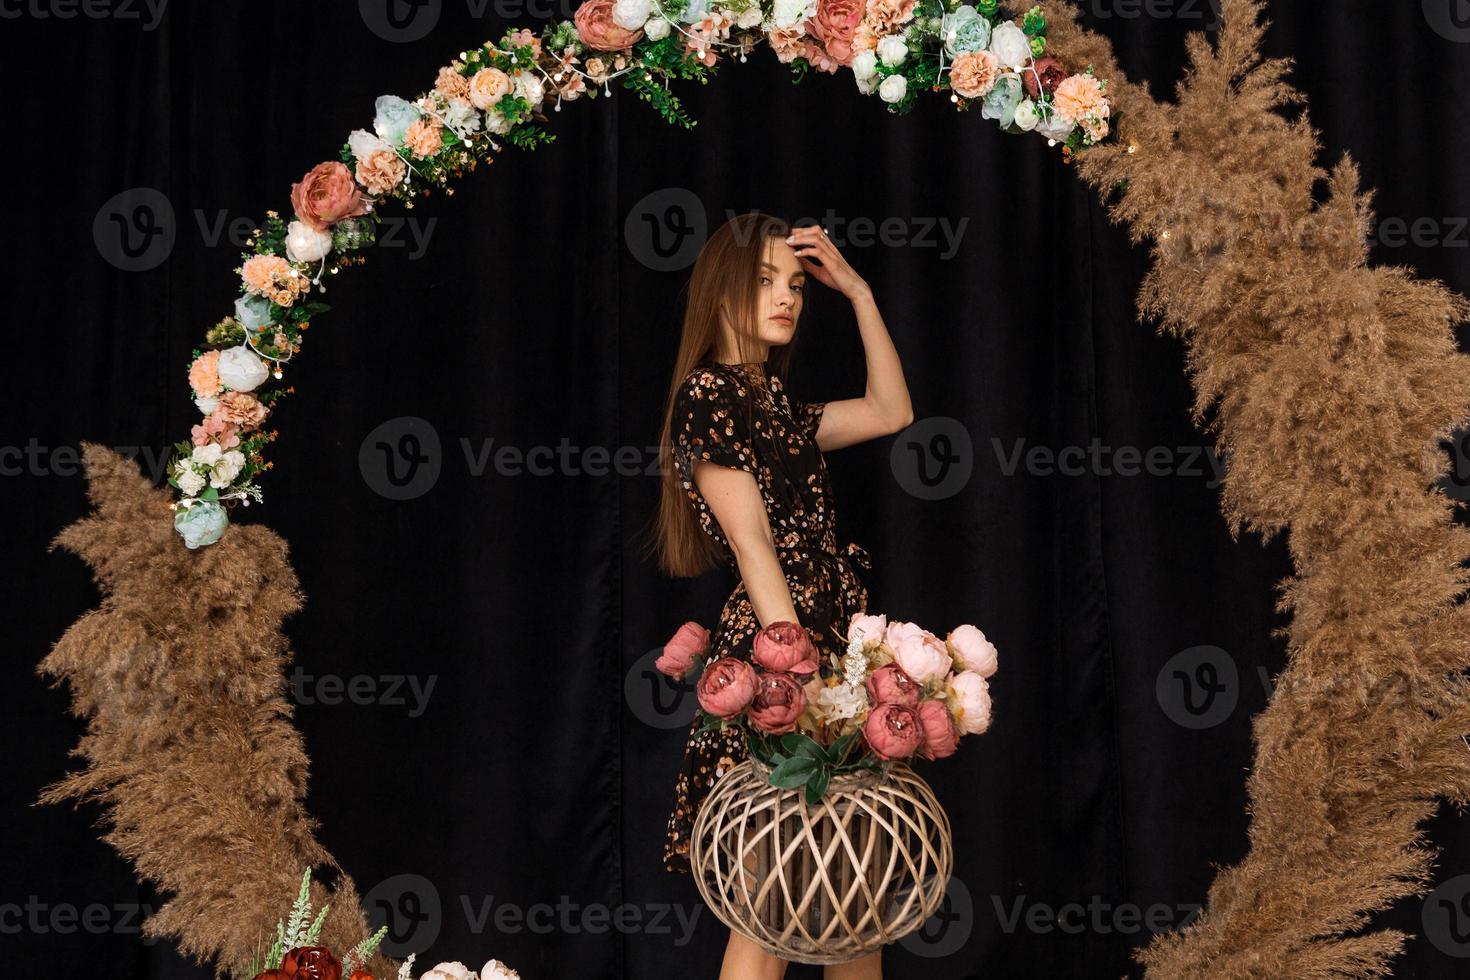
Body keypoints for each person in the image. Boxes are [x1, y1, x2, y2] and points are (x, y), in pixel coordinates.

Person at [652, 211, 913, 979]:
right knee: (771, 896)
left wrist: (859, 292)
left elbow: (892, 412)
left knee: (853, 891)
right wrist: (801, 677)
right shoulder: (708, 394)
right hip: (781, 656)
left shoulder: (777, 406)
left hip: (834, 646)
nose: (787, 297)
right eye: (765, 281)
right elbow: (752, 543)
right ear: (721, 289)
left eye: (796, 284)